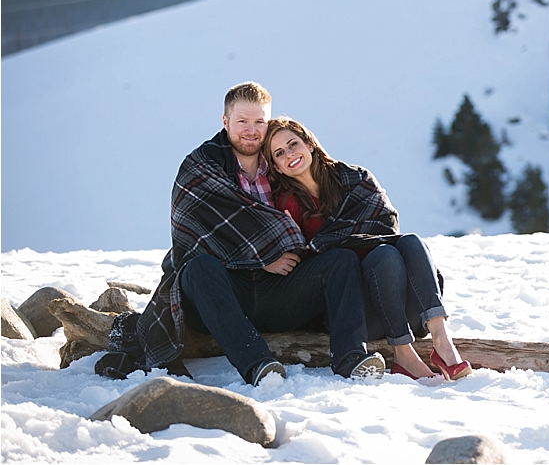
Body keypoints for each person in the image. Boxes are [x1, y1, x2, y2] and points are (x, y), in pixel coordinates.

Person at [97, 82, 385, 385]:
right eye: (242, 122)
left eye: (259, 122)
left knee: (340, 261)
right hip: (225, 292)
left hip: (281, 290)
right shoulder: (201, 165)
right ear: (225, 122)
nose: (251, 130)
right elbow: (199, 235)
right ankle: (259, 365)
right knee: (197, 269)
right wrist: (261, 257)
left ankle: (351, 358)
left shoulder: (279, 165)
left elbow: (316, 206)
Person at [264, 116, 471, 381]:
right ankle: (404, 354)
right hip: (355, 312)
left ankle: (442, 339)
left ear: (310, 144)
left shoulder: (355, 178)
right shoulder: (288, 204)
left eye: (293, 144)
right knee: (385, 254)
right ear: (277, 167)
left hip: (396, 298)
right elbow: (308, 259)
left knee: (409, 241)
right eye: (279, 153)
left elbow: (386, 225)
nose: (289, 154)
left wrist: (340, 239)